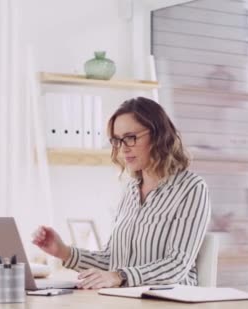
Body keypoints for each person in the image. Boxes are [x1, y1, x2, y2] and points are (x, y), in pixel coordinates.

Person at [32, 97, 211, 289]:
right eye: (117, 140)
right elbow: (112, 261)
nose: (123, 148)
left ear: (158, 135)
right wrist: (63, 252)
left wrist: (119, 276)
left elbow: (177, 264)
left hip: (171, 306)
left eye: (130, 137)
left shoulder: (191, 188)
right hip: (127, 302)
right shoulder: (131, 191)